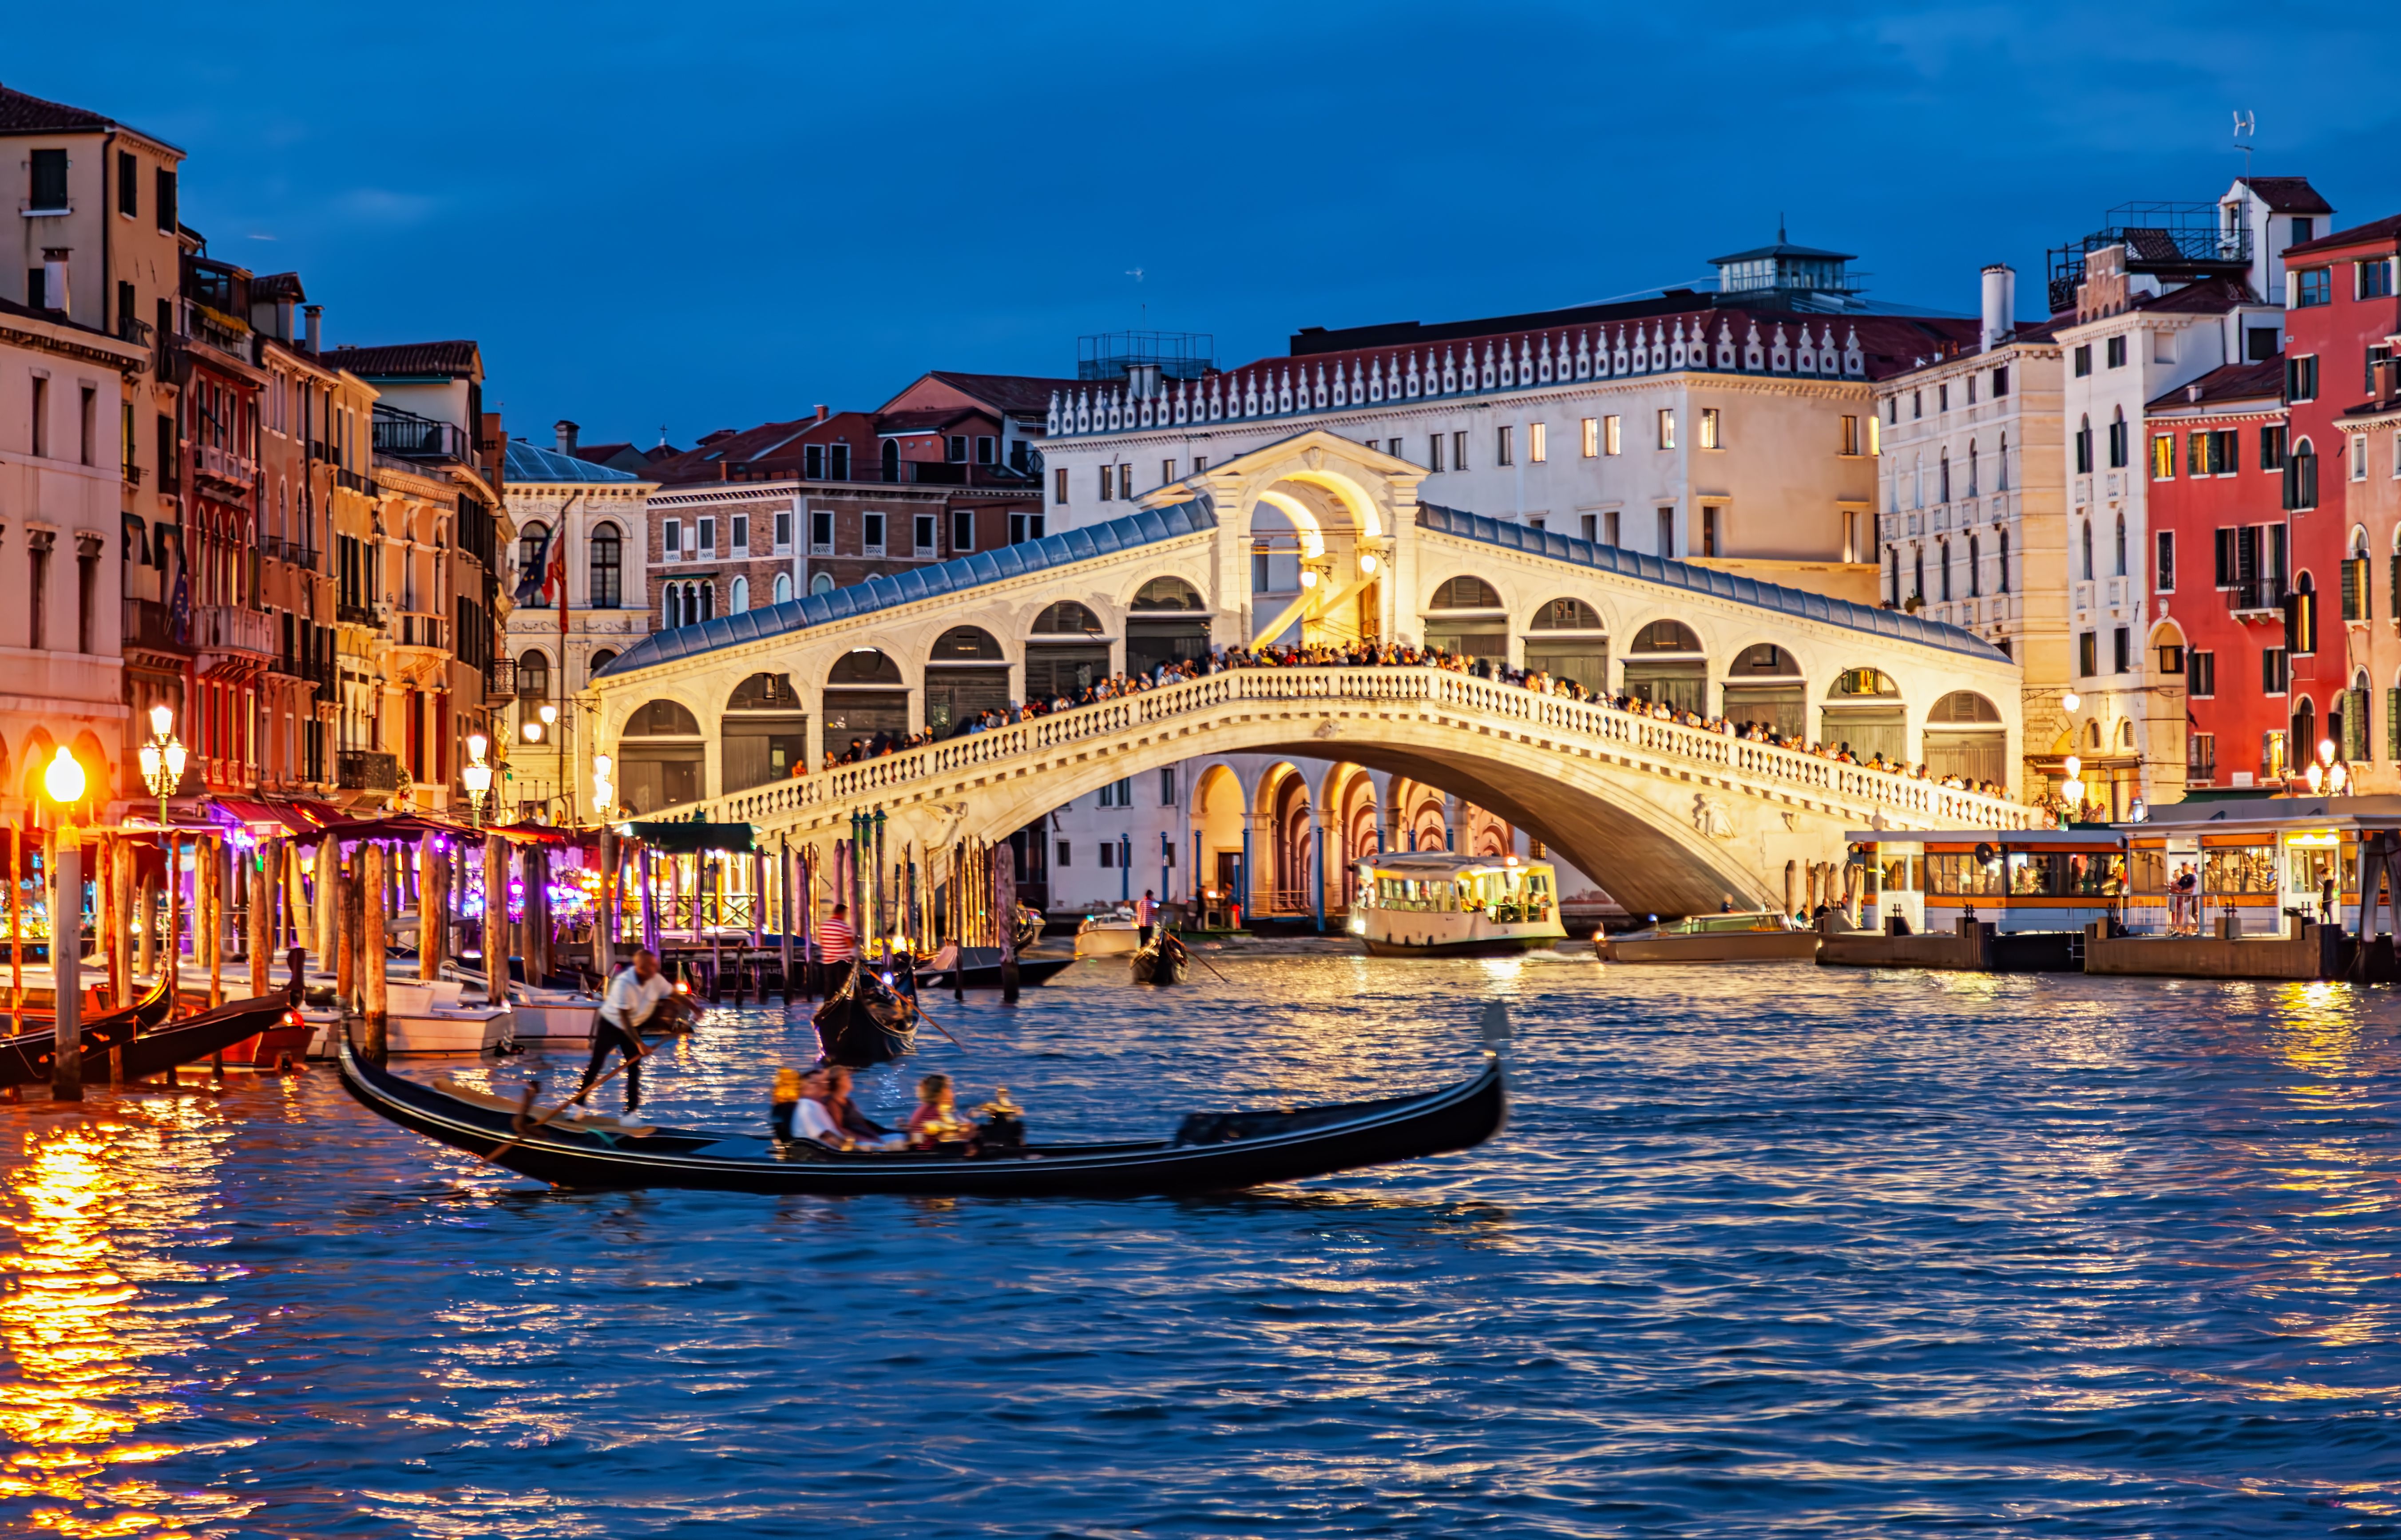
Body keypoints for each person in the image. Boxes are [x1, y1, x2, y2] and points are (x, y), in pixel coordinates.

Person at [579, 946, 672, 1112]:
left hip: (630, 1028)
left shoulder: (655, 981)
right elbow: (624, 1019)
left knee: (634, 1068)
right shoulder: (626, 984)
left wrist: (695, 1010)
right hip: (611, 1025)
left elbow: (674, 996)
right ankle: (578, 1105)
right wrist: (640, 1044)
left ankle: (632, 1111)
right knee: (597, 1065)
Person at [820, 1065, 891, 1144]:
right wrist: (869, 1141)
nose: (850, 1080)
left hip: (869, 1136)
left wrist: (876, 1138)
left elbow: (862, 1123)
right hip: (860, 1141)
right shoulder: (833, 1103)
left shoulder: (848, 1101)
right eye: (847, 1078)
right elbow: (839, 1129)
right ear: (839, 1082)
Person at [905, 1073, 969, 1148]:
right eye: (950, 1088)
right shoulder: (937, 1111)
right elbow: (951, 1130)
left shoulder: (927, 1108)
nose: (953, 1093)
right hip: (929, 1153)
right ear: (943, 1092)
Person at [816, 902, 859, 993]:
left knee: (829, 987)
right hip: (842, 962)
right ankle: (844, 1005)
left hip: (828, 962)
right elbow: (851, 945)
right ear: (842, 913)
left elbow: (823, 943)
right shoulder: (844, 927)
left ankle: (828, 1003)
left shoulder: (824, 927)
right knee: (842, 987)